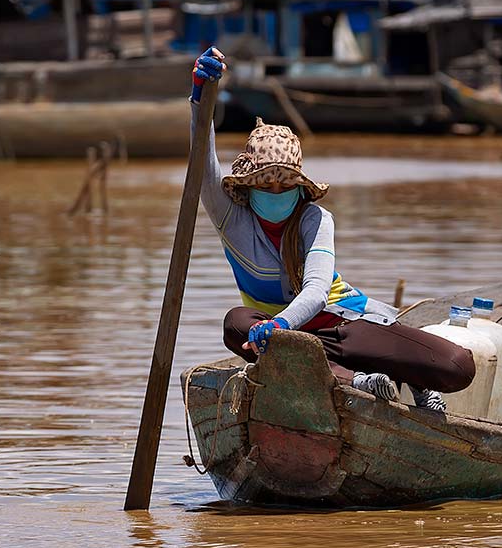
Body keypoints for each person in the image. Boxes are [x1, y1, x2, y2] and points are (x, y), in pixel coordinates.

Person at [188, 48, 474, 410]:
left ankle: (397, 378)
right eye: (266, 185)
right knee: (236, 324)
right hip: (281, 336)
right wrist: (200, 96)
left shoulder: (315, 220)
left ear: (299, 188)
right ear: (248, 186)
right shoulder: (232, 219)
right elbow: (202, 159)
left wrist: (279, 325)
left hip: (342, 326)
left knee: (458, 366)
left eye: (285, 186)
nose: (276, 193)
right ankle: (357, 381)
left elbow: (318, 291)